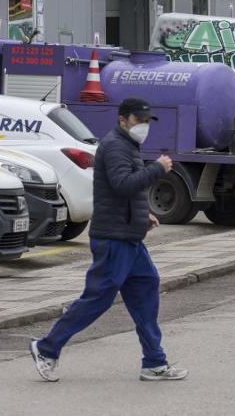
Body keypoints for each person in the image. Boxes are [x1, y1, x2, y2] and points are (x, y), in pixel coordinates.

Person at [30, 97, 187, 382]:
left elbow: (125, 191)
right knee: (98, 299)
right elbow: (123, 184)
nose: (143, 126)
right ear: (122, 120)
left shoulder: (127, 145)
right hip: (113, 238)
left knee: (146, 290)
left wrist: (143, 216)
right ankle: (46, 347)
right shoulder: (115, 146)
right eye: (138, 120)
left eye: (146, 121)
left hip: (128, 235)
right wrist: (157, 169)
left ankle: (154, 362)